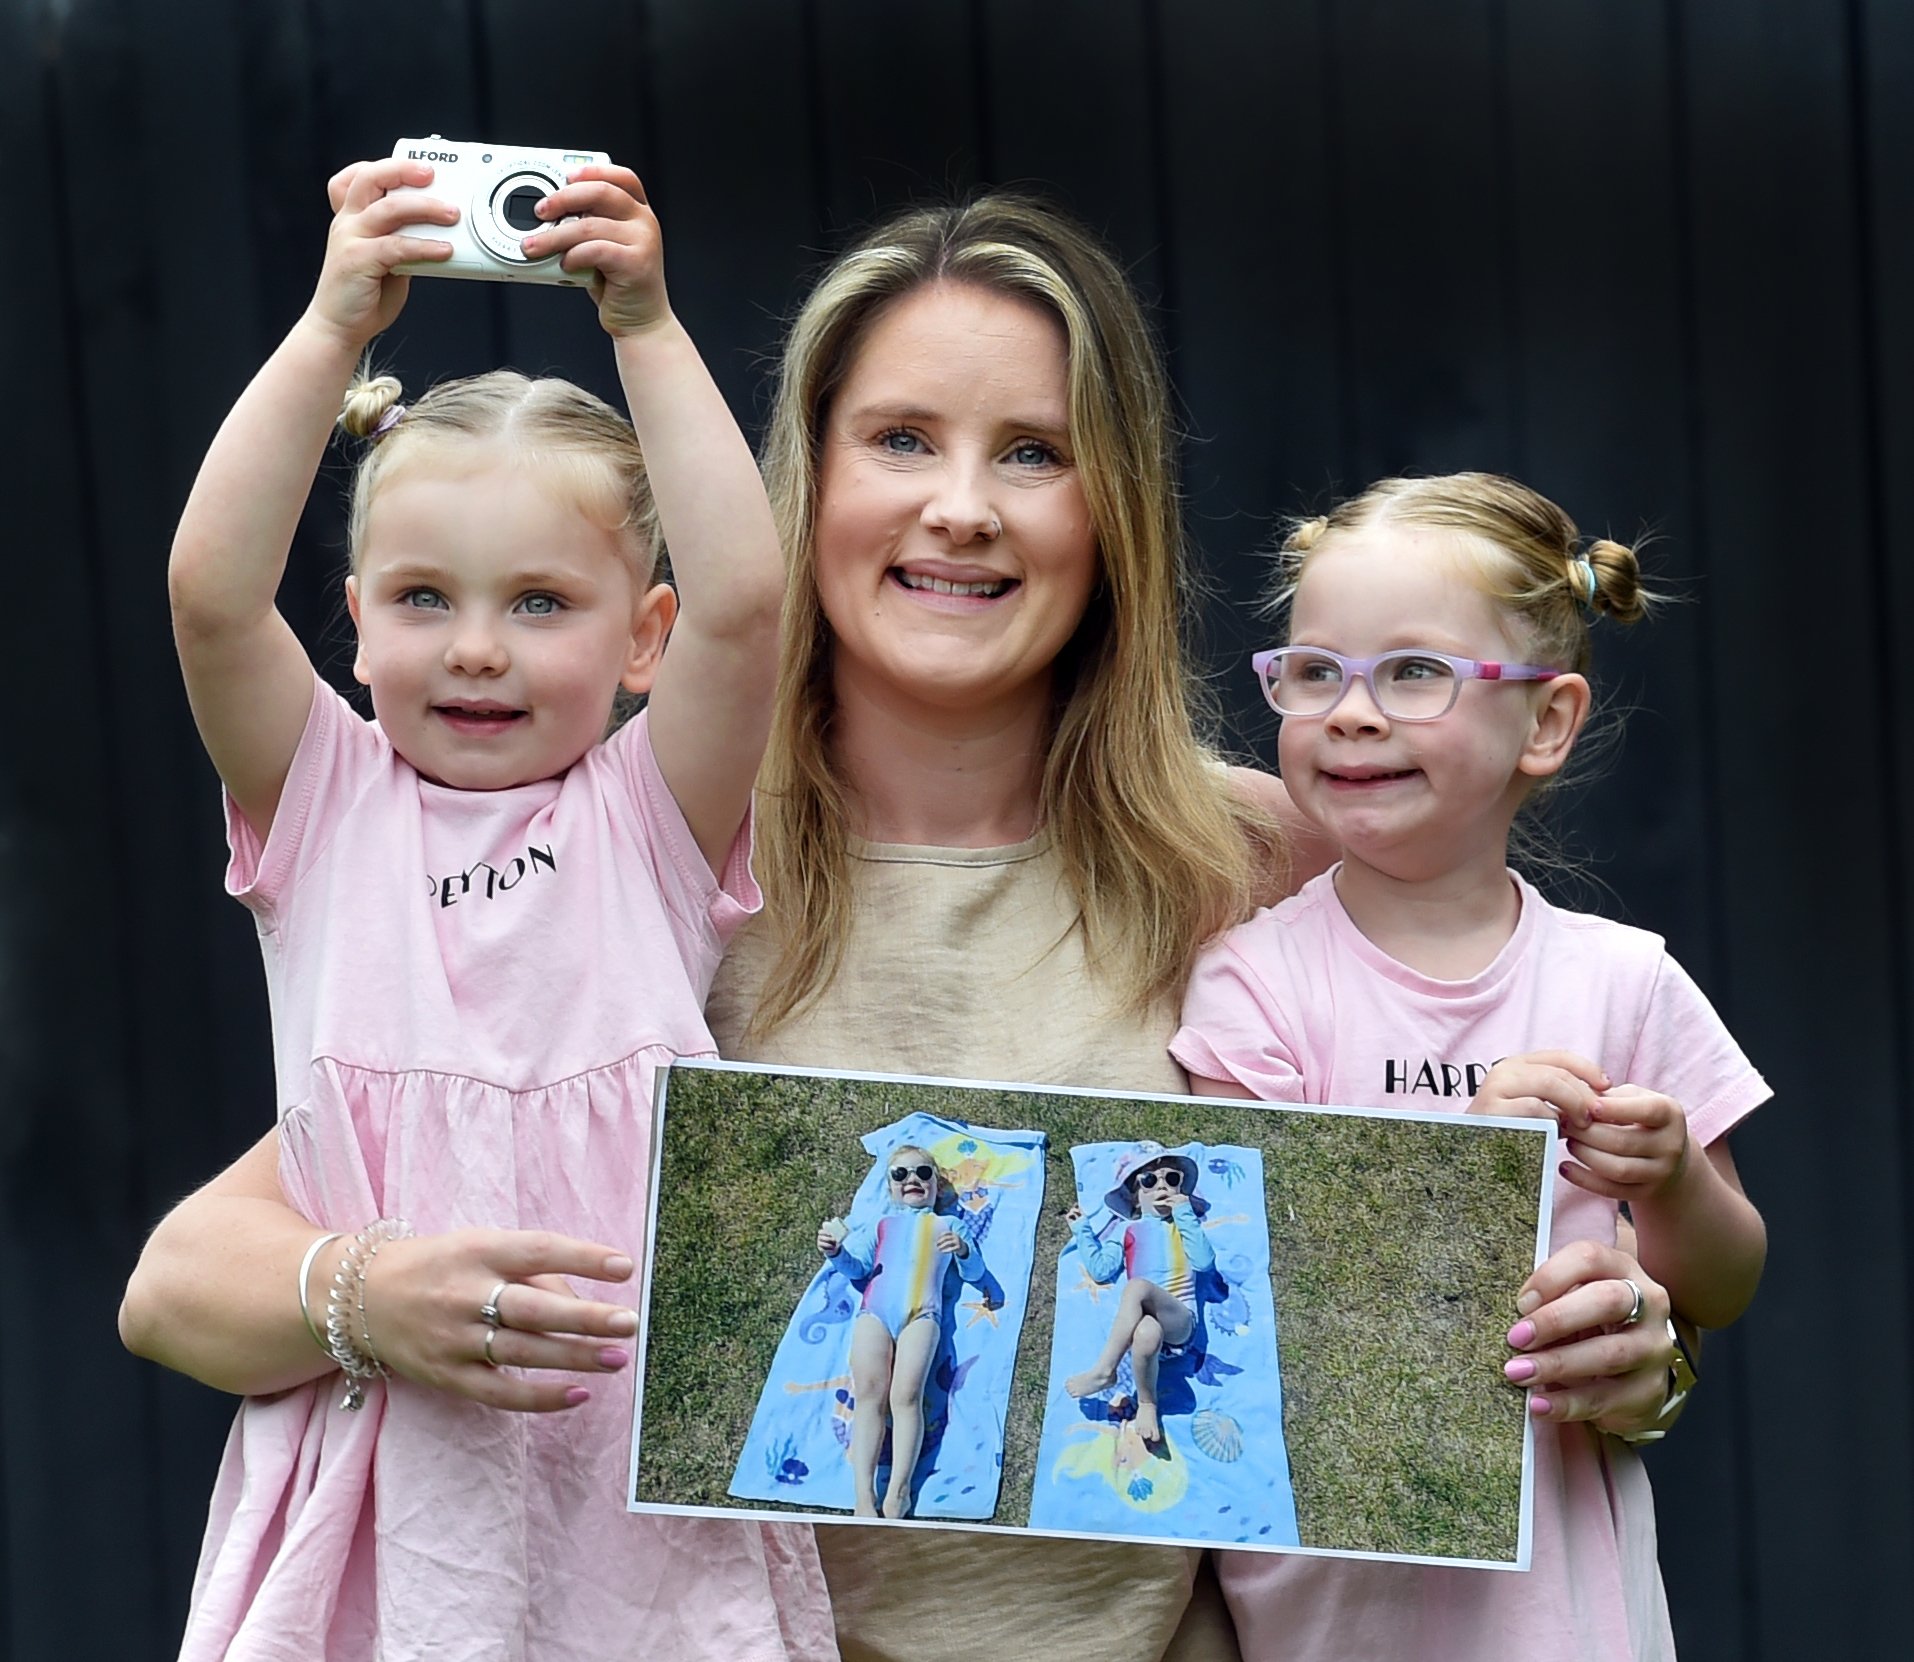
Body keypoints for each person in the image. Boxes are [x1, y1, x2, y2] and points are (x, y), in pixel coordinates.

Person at [125, 197, 1699, 1662]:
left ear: (1114, 510)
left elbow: (1499, 1258)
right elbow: (186, 1276)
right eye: (899, 438)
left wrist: (1630, 1349)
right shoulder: (637, 849)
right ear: (802, 481)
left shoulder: (1263, 855)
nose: (960, 507)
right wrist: (363, 1291)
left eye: (1031, 450)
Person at [137, 150, 829, 1659]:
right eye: (424, 599)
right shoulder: (320, 802)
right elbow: (206, 595)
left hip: (632, 1492)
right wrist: (334, 329)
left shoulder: (647, 816)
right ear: (357, 624)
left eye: (539, 602)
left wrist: (642, 322)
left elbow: (747, 602)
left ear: (639, 637)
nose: (475, 651)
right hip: (392, 1479)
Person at [1170, 472, 1770, 1661]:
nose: (1351, 712)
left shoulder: (1623, 981)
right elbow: (1246, 1295)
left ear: (1545, 721)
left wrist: (1670, 1185)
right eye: (1316, 671)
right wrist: (1470, 1166)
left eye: (1413, 673)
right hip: (1331, 1613)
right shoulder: (1254, 984)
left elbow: (1727, 1281)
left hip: (1569, 1622)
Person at [818, 1144, 985, 1517]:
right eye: (900, 1174)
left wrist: (962, 1251)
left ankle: (899, 1489)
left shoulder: (950, 1225)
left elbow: (974, 1273)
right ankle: (863, 1496)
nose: (912, 1179)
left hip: (922, 1316)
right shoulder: (879, 1224)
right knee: (869, 1395)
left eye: (923, 1173)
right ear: (890, 1186)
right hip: (874, 1314)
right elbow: (858, 1269)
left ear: (936, 1186)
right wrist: (835, 1253)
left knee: (906, 1397)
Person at [1063, 1143, 1214, 1446]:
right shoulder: (1126, 1230)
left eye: (1171, 1179)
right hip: (1151, 1331)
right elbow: (1101, 1269)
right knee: (1145, 1333)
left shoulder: (1184, 1227)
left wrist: (1183, 1211)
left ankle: (1105, 1370)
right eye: (1149, 1180)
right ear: (1135, 1194)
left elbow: (1204, 1262)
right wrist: (1082, 1231)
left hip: (1181, 1321)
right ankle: (1148, 1404)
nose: (1161, 1185)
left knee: (1137, 1287)